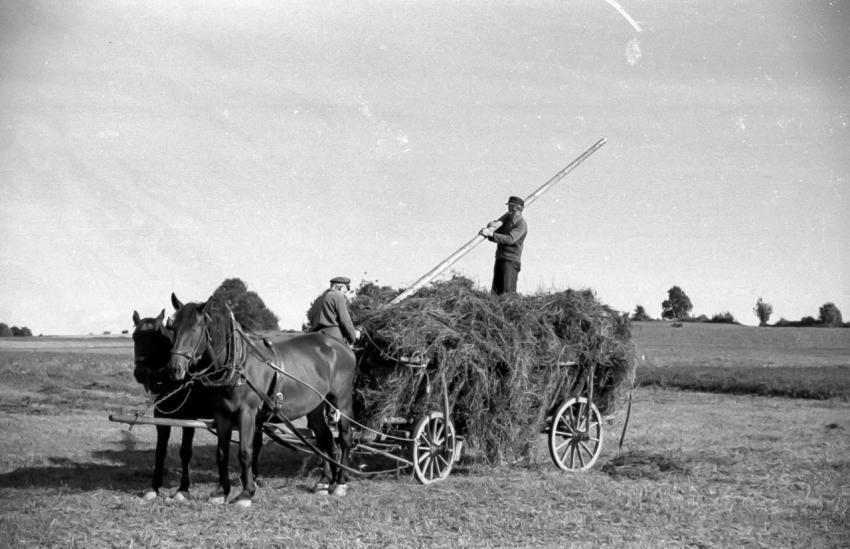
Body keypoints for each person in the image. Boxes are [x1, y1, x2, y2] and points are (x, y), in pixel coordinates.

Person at [479, 196, 528, 295]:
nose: (509, 208)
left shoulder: (521, 224)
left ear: (518, 208)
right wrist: (491, 227)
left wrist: (491, 234)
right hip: (500, 258)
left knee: (507, 294)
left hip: (511, 261)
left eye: (511, 206)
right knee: (496, 292)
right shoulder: (507, 219)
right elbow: (498, 233)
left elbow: (510, 239)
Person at [307, 276, 360, 345]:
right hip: (333, 336)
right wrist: (353, 336)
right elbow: (345, 320)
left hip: (314, 336)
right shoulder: (337, 296)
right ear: (341, 288)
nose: (344, 295)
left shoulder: (318, 300)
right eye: (344, 292)